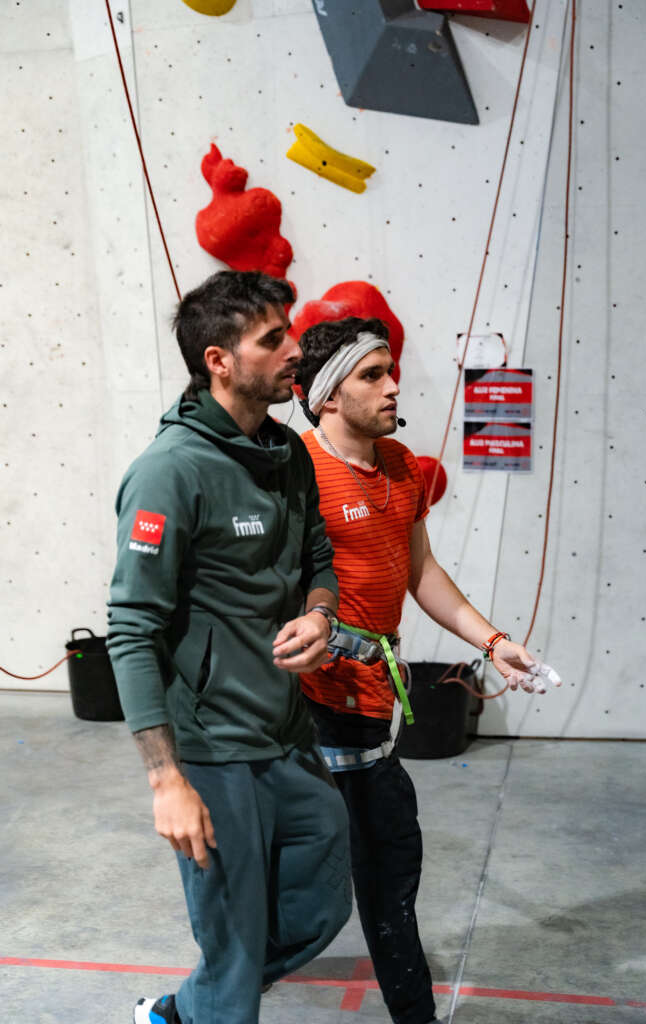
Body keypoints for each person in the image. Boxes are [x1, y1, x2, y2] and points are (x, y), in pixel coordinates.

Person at [295, 316, 561, 1024]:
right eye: (372, 375)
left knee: (376, 870)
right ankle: (200, 1001)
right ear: (328, 394)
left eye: (390, 371)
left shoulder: (401, 464)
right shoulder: (297, 472)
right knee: (349, 875)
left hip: (376, 699)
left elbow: (420, 570)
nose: (393, 386)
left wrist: (492, 641)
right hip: (313, 707)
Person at [106, 270, 352, 1024]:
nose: (294, 350)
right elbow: (131, 629)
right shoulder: (168, 472)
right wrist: (166, 782)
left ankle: (189, 1007)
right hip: (212, 749)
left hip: (285, 732)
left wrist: (319, 615)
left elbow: (318, 560)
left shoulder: (288, 452)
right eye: (272, 339)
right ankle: (216, 999)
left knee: (318, 907)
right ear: (218, 360)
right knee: (237, 951)